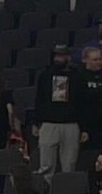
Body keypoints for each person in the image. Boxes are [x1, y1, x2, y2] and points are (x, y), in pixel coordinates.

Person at [33, 44, 82, 176]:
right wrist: (36, 122)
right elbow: (39, 99)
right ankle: (45, 193)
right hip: (49, 123)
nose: (58, 58)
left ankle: (66, 193)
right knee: (46, 165)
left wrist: (84, 127)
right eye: (56, 55)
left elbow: (83, 103)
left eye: (61, 55)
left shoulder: (76, 76)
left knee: (69, 165)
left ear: (68, 57)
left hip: (71, 124)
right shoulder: (44, 75)